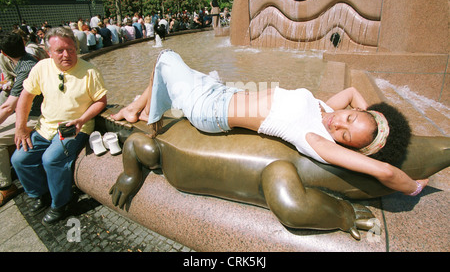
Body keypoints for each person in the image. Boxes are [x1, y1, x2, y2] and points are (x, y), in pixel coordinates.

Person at [110, 50, 428, 197]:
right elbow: (354, 92)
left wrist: (413, 186)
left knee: (165, 58)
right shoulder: (325, 109)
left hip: (210, 110)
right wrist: (373, 120)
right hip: (222, 92)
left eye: (345, 135)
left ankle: (145, 117)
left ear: (345, 146)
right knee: (173, 73)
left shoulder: (316, 138)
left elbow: (385, 171)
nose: (337, 124)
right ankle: (133, 109)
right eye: (349, 117)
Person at [11, 27, 107, 225]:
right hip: (45, 126)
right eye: (60, 51)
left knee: (52, 159)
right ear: (49, 52)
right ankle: (39, 193)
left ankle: (61, 203)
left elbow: (101, 101)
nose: (67, 55)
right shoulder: (41, 67)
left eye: (71, 49)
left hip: (76, 127)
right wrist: (21, 127)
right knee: (20, 158)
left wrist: (81, 120)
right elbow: (26, 97)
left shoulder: (90, 71)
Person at [0, 32, 43, 206]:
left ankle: (6, 186)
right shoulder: (27, 61)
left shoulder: (26, 68)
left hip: (35, 116)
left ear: (4, 53)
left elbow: (8, 107)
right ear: (23, 43)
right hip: (28, 113)